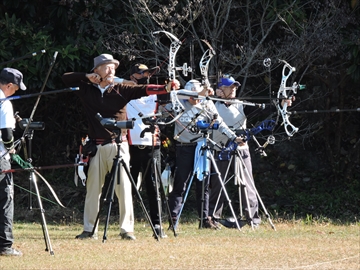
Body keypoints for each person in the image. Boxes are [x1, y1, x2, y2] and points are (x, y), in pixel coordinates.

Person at [62, 53, 172, 240]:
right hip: (96, 148)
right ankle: (90, 230)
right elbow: (65, 78)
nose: (111, 70)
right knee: (93, 190)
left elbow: (144, 90)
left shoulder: (122, 88)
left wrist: (165, 88)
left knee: (124, 189)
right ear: (96, 71)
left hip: (118, 146)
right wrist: (86, 77)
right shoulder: (87, 89)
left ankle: (126, 230)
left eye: (113, 67)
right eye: (106, 67)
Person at [209, 75, 293, 228]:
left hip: (241, 149)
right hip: (221, 149)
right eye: (229, 87)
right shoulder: (212, 106)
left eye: (235, 87)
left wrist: (281, 103)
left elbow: (264, 109)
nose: (234, 89)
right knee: (217, 184)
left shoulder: (242, 105)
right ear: (220, 91)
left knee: (247, 184)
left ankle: (253, 219)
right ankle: (212, 219)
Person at [167, 79, 245, 229]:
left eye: (198, 96)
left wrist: (233, 137)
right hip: (184, 148)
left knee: (203, 184)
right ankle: (174, 220)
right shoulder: (178, 101)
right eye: (193, 96)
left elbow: (219, 122)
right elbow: (171, 98)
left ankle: (205, 219)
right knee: (180, 185)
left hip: (202, 146)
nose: (195, 99)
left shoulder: (207, 103)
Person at [126, 63, 167, 238]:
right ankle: (127, 226)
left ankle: (157, 225)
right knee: (128, 188)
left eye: (148, 74)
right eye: (142, 74)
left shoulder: (155, 94)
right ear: (132, 76)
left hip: (152, 146)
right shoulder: (125, 91)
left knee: (153, 187)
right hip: (131, 148)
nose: (146, 76)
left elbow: (179, 96)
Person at [0, 67, 26, 256]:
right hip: (0, 158)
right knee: (5, 199)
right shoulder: (4, 102)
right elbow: (7, 133)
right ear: (8, 85)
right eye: (15, 89)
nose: (15, 92)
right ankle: (5, 245)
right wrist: (11, 149)